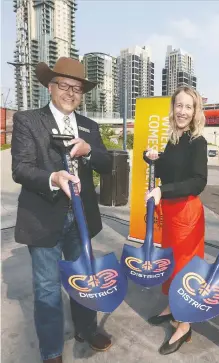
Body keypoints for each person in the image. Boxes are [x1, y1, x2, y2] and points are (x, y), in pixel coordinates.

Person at [11, 57, 113, 363]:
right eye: (65, 86)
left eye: (77, 88)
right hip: (42, 217)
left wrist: (90, 150)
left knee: (83, 277)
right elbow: (21, 168)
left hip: (81, 220)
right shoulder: (29, 121)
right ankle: (52, 350)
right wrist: (53, 178)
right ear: (50, 87)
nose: (71, 93)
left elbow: (107, 164)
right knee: (46, 289)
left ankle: (86, 328)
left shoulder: (89, 126)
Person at [145, 86, 208, 355]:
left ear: (195, 112)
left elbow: (198, 181)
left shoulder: (198, 142)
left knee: (185, 270)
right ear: (173, 108)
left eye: (188, 107)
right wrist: (149, 158)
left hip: (187, 214)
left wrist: (163, 191)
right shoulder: (174, 139)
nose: (182, 111)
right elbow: (165, 171)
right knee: (171, 264)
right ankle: (172, 306)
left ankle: (184, 325)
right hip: (170, 212)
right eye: (179, 106)